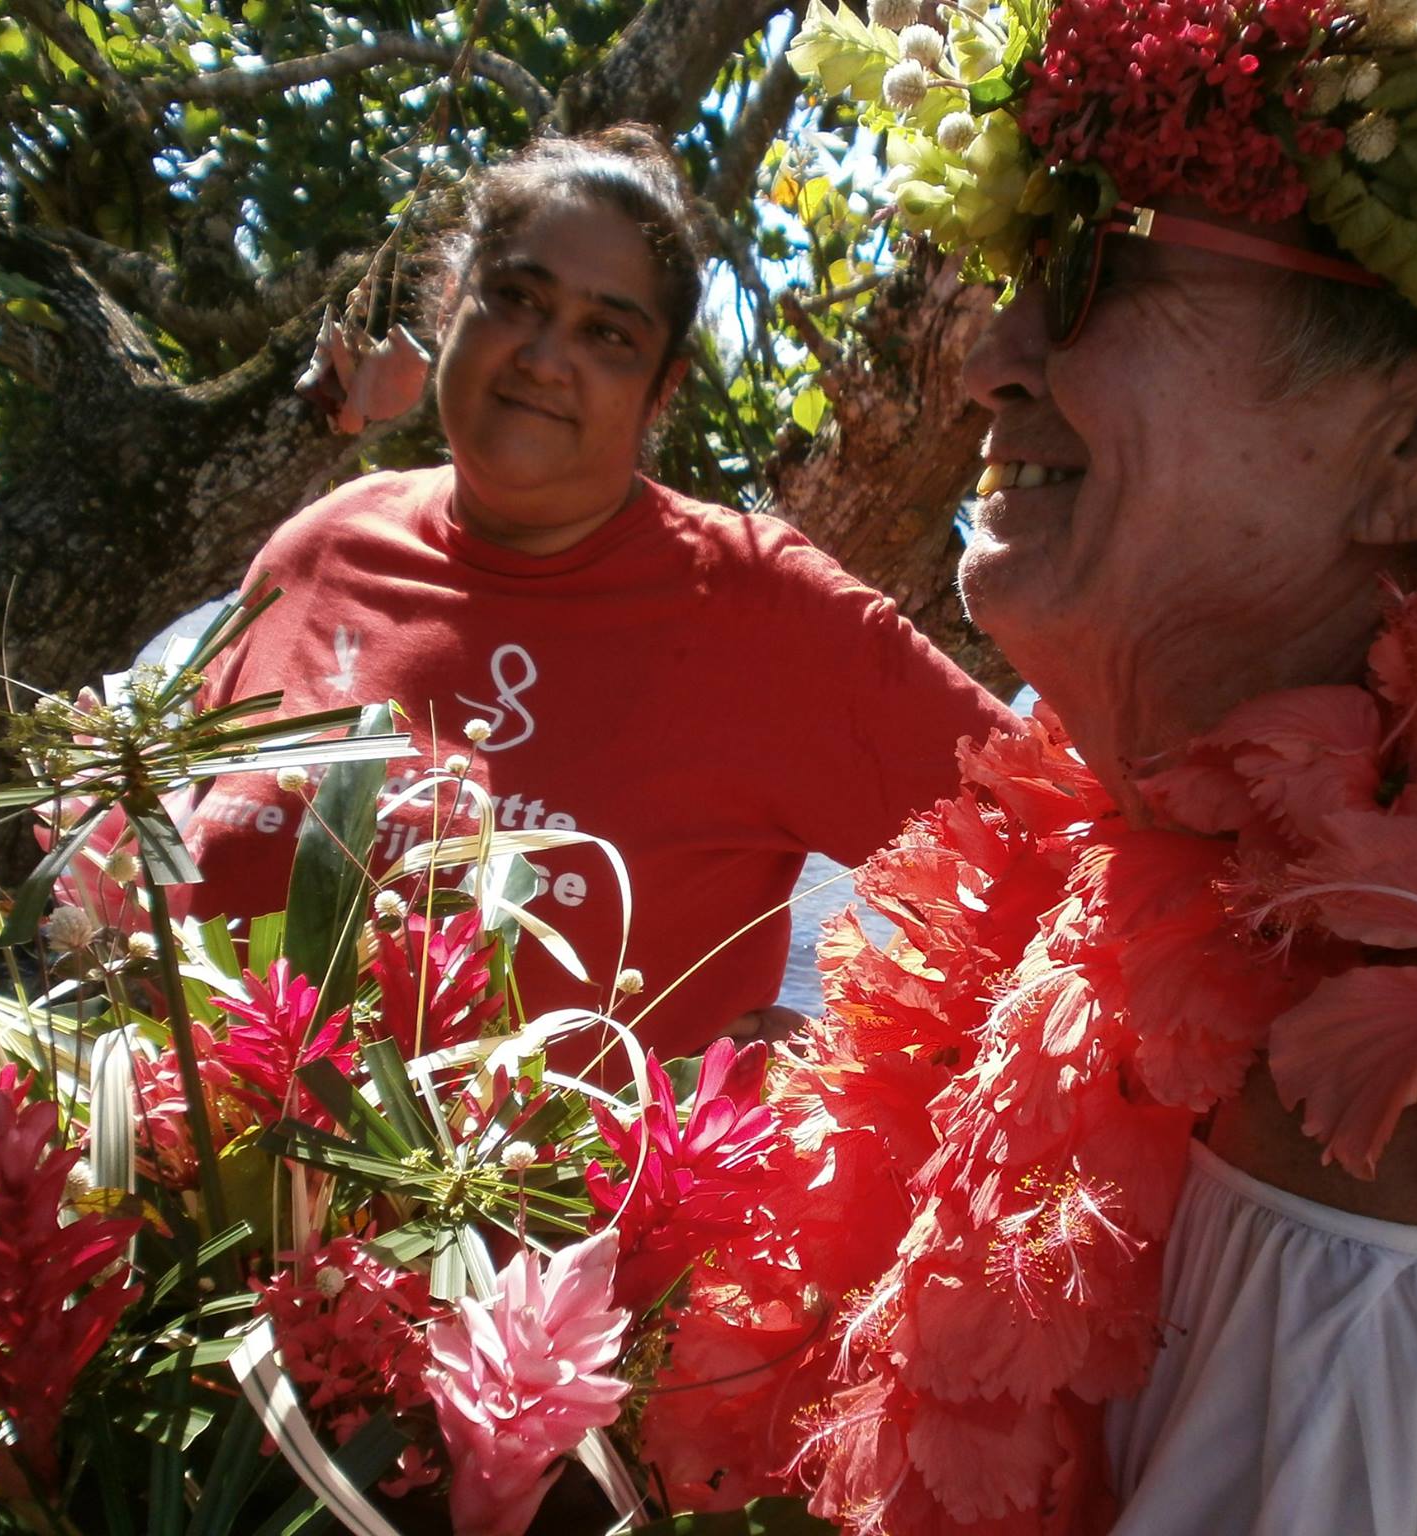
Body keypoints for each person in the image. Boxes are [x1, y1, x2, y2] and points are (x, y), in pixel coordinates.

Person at [639, 4, 1417, 1532]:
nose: (986, 358)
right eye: (1011, 270)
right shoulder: (1133, 836)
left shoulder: (1411, 1117)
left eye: (1096, 258)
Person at [176, 126, 1014, 1060]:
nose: (544, 356)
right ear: (451, 306)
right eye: (516, 298)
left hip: (578, 1210)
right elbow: (161, 852)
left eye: (609, 334)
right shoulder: (319, 549)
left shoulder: (757, 608)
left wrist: (856, 1081)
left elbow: (1052, 858)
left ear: (662, 391)